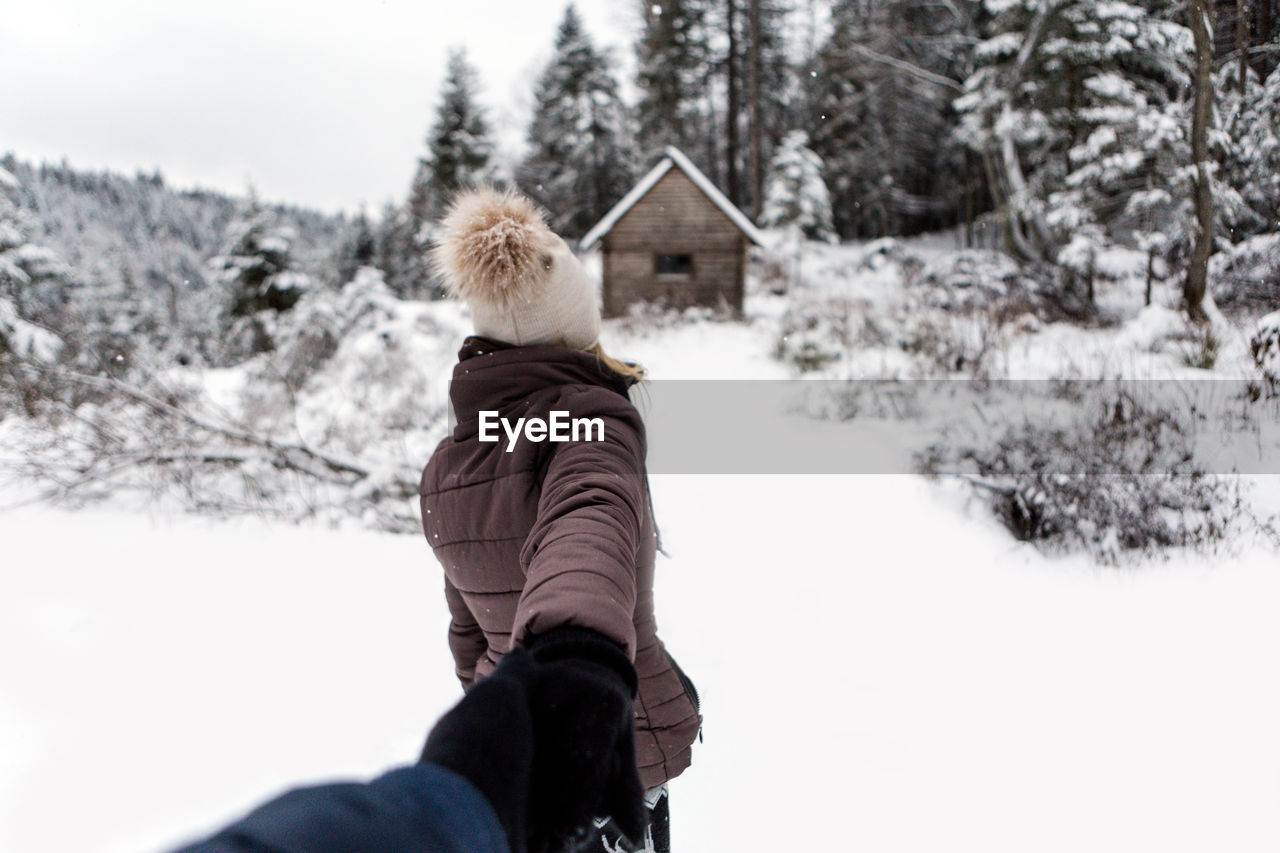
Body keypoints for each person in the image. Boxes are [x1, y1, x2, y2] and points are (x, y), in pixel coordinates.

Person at [419, 187, 701, 853]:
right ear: (574, 322)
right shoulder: (586, 418)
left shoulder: (450, 457)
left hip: (517, 747)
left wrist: (497, 705)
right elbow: (589, 516)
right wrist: (573, 654)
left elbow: (466, 630)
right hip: (602, 734)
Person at [170, 643, 646, 853]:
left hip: (555, 711)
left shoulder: (455, 462)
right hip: (558, 716)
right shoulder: (453, 462)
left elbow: (591, 513)